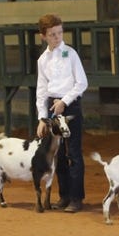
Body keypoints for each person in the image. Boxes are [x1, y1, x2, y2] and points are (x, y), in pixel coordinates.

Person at [35, 13, 88, 213]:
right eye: (52, 34)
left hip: (70, 105)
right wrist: (42, 118)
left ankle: (76, 197)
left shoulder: (71, 54)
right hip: (52, 105)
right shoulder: (42, 60)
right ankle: (64, 195)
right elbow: (41, 90)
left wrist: (64, 101)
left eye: (59, 32)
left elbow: (81, 83)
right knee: (57, 154)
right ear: (43, 36)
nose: (57, 37)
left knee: (73, 152)